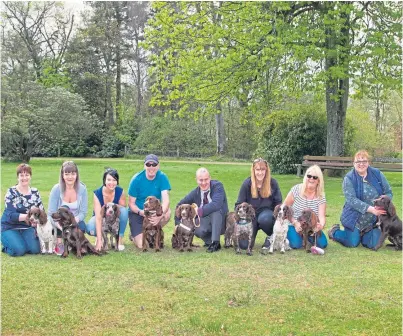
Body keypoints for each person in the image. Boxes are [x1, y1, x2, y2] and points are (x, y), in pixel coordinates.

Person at [328, 150, 392, 249]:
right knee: (352, 243)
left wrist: (384, 203)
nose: (361, 164)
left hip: (373, 219)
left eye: (364, 161)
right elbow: (351, 200)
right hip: (354, 218)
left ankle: (363, 234)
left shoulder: (377, 174)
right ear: (354, 163)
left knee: (373, 244)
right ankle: (334, 232)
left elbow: (388, 192)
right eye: (358, 161)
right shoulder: (349, 178)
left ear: (368, 163)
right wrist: (372, 209)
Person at [175, 167, 229, 253]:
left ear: (210, 178)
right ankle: (209, 242)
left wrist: (198, 211)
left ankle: (215, 242)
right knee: (196, 228)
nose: (204, 183)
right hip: (205, 221)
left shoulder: (218, 186)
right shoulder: (195, 192)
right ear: (196, 180)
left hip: (221, 221)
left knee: (215, 210)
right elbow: (179, 205)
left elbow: (216, 204)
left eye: (206, 179)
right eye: (201, 180)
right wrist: (178, 223)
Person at [235, 158, 282, 250]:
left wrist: (278, 217)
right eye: (257, 169)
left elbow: (278, 203)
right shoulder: (247, 184)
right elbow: (238, 204)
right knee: (244, 246)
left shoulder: (273, 183)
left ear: (266, 170)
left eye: (262, 169)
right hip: (250, 216)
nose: (260, 173)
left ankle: (271, 237)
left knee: (264, 219)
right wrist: (240, 218)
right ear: (253, 170)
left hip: (266, 214)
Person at [128, 154, 171, 249]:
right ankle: (134, 233)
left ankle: (153, 232)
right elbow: (131, 203)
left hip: (154, 211)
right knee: (142, 245)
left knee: (168, 213)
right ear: (144, 166)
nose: (151, 167)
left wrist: (160, 215)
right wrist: (141, 212)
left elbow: (166, 200)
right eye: (148, 165)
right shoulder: (136, 179)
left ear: (158, 166)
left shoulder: (162, 177)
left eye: (154, 164)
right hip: (138, 212)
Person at [1, 164, 43, 257]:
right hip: (10, 226)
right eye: (21, 175)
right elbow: (11, 215)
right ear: (17, 177)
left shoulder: (35, 192)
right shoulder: (11, 192)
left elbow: (41, 211)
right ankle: (7, 245)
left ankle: (20, 240)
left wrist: (37, 222)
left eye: (27, 175)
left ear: (30, 176)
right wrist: (29, 217)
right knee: (19, 251)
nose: (24, 178)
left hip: (27, 227)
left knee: (35, 250)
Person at [48, 161, 88, 255]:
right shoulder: (56, 189)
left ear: (77, 175)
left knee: (82, 227)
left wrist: (74, 221)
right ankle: (59, 242)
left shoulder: (82, 189)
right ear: (62, 175)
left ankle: (73, 244)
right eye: (67, 174)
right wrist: (61, 226)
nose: (70, 177)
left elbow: (83, 212)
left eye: (73, 174)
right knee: (61, 215)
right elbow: (51, 213)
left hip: (74, 221)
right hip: (59, 222)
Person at [284, 164, 328, 249]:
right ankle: (288, 235)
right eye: (309, 176)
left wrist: (320, 226)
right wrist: (295, 222)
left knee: (323, 244)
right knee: (296, 245)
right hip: (293, 224)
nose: (311, 179)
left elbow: (321, 216)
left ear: (319, 180)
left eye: (315, 177)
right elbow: (285, 208)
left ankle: (307, 237)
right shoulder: (296, 189)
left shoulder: (321, 195)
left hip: (311, 226)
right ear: (305, 177)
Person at [86, 168, 128, 251]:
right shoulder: (97, 193)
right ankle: (100, 238)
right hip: (101, 217)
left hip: (114, 218)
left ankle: (119, 239)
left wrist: (112, 206)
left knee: (124, 211)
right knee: (90, 228)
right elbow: (98, 217)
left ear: (117, 181)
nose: (111, 183)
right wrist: (98, 240)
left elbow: (123, 209)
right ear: (104, 180)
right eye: (109, 180)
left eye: (114, 180)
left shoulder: (120, 191)